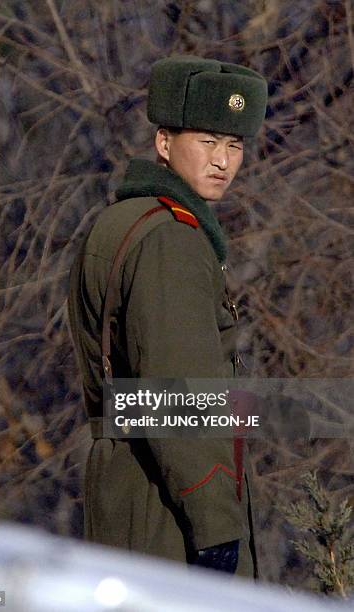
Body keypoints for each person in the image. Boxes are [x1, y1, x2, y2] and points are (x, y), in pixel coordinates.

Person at [67, 55, 268, 578]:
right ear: (164, 142)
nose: (222, 160)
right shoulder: (171, 240)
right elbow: (176, 396)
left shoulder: (127, 220)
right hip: (167, 510)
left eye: (235, 144)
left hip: (130, 489)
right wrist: (217, 524)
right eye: (206, 141)